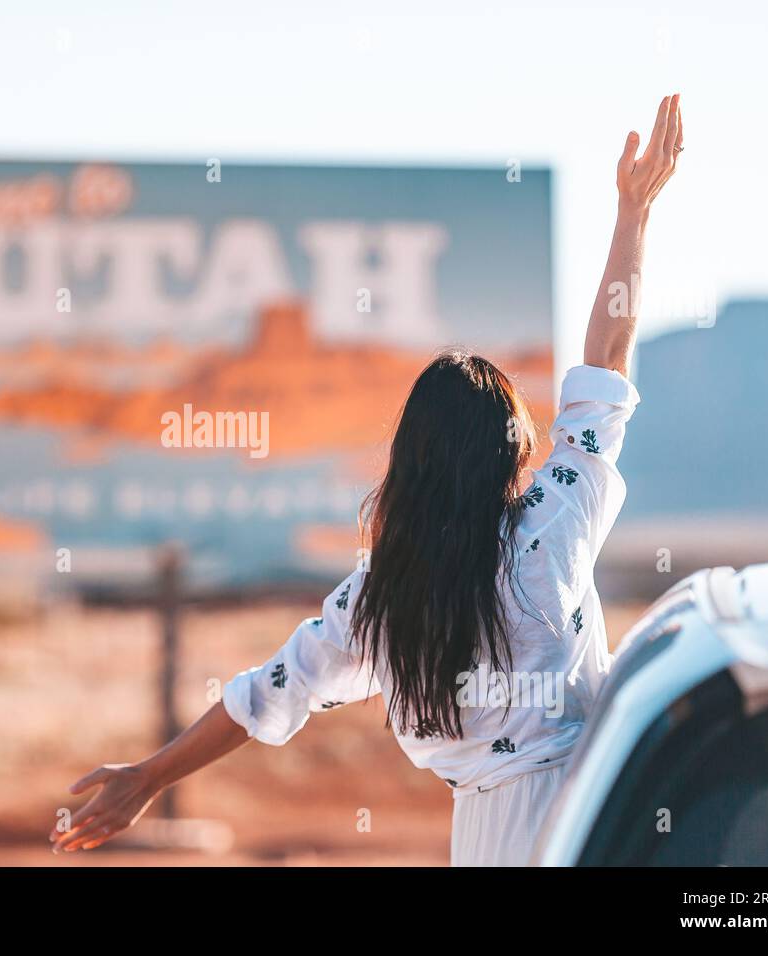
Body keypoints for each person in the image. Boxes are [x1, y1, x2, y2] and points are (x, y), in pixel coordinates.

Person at [50, 94, 685, 865]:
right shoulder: (550, 524)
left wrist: (149, 775)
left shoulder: (380, 599)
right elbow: (604, 370)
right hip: (596, 821)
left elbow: (263, 695)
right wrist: (633, 214)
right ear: (510, 452)